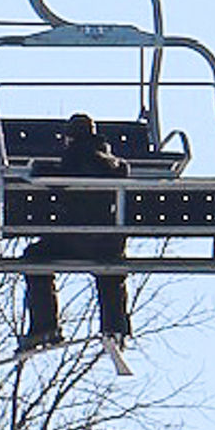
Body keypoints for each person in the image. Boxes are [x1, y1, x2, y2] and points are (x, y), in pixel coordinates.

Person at [16, 113, 133, 353]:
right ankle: (115, 326)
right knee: (111, 269)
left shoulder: (72, 160)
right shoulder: (116, 166)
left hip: (71, 240)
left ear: (70, 139)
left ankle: (44, 325)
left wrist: (39, 169)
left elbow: (43, 174)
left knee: (34, 256)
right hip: (107, 245)